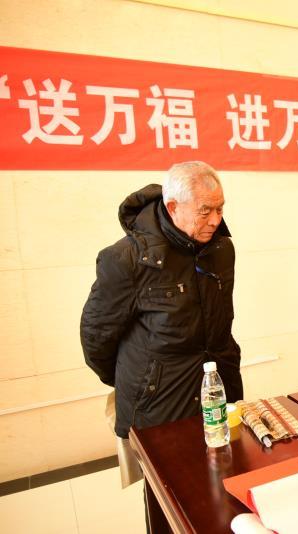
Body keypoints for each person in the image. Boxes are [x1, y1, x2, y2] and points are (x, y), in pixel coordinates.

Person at [81, 161, 243, 483]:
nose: (215, 220)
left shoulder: (221, 249)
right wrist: (140, 379)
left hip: (217, 389)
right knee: (170, 493)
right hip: (160, 403)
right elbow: (96, 337)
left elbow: (221, 318)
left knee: (225, 482)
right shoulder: (127, 259)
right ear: (173, 207)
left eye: (220, 209)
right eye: (205, 211)